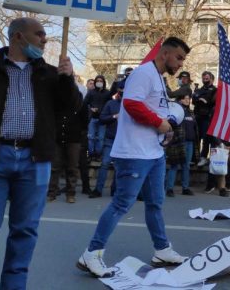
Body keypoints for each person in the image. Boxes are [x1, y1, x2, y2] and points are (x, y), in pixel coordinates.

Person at [0, 17, 80, 288]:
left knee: (25, 230)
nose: (45, 39)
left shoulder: (51, 74)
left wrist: (68, 80)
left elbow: (71, 109)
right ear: (18, 37)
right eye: (39, 34)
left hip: (36, 162)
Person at [77, 37, 191, 278]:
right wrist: (159, 123)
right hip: (134, 153)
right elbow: (131, 104)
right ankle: (91, 253)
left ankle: (162, 250)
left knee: (155, 204)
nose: (181, 64)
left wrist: (167, 127)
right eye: (179, 58)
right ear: (165, 53)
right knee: (121, 204)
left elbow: (156, 109)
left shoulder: (158, 78)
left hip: (153, 152)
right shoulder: (143, 73)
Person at [48, 98, 89, 203]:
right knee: (54, 167)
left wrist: (79, 133)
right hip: (57, 138)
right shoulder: (55, 102)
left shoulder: (80, 103)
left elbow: (85, 121)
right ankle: (52, 192)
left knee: (72, 167)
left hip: (74, 139)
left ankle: (70, 193)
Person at [90, 80, 124, 198]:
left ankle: (114, 190)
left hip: (123, 141)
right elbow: (102, 119)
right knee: (104, 164)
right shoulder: (111, 103)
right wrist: (114, 116)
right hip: (110, 139)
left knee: (118, 167)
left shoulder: (131, 105)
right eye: (121, 90)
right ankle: (98, 190)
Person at [166, 94, 198, 197]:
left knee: (186, 165)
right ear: (180, 100)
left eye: (189, 98)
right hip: (178, 141)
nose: (188, 100)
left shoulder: (191, 112)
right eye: (185, 98)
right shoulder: (175, 111)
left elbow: (194, 127)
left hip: (189, 142)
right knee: (174, 165)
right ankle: (169, 188)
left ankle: (185, 188)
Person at [85, 75, 112, 159]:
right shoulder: (91, 92)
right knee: (91, 137)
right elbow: (85, 103)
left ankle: (98, 154)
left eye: (101, 81)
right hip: (92, 118)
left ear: (103, 82)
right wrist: (91, 108)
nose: (99, 82)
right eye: (98, 81)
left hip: (102, 119)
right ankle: (91, 154)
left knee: (100, 138)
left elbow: (110, 104)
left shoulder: (107, 93)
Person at [194, 71, 217, 168]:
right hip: (198, 116)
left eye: (207, 78)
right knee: (197, 137)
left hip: (208, 117)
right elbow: (194, 100)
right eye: (203, 78)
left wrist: (202, 100)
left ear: (211, 79)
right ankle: (196, 157)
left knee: (207, 138)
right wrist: (201, 99)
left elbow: (211, 101)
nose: (205, 80)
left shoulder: (215, 90)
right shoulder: (199, 89)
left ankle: (205, 157)